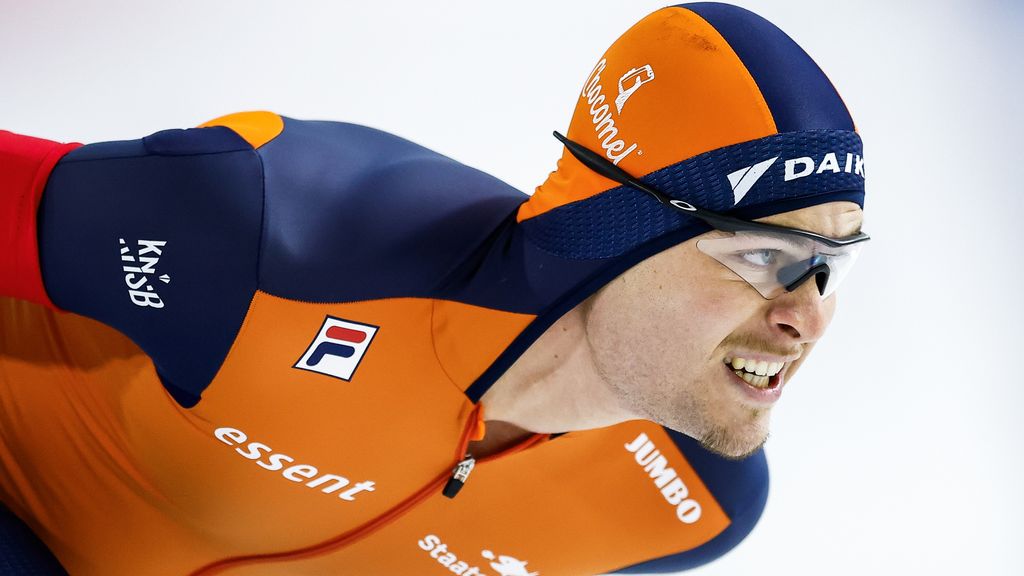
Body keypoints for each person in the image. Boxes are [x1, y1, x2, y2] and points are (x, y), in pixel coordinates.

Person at [0, 3, 867, 575]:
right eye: (766, 255)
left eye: (834, 263)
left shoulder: (695, 505)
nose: (809, 317)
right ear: (619, 231)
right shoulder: (278, 238)